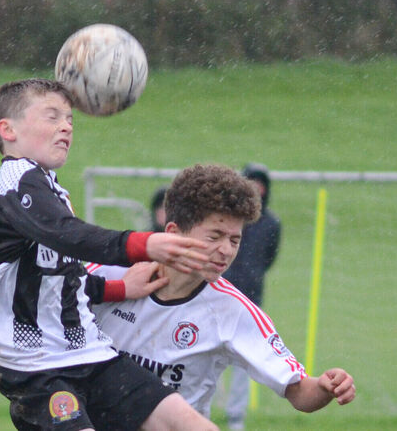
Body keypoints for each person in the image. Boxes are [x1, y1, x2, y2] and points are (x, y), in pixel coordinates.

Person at [0, 78, 218, 431]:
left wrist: (120, 289)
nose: (66, 126)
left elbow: (59, 280)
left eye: (70, 119)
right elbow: (68, 235)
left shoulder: (48, 187)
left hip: (90, 353)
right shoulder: (15, 178)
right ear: (8, 130)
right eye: (52, 116)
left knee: (193, 425)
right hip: (36, 364)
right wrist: (142, 245)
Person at [89, 164, 356, 423]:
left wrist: (324, 387)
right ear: (173, 233)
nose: (226, 250)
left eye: (234, 240)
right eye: (214, 236)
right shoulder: (109, 273)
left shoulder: (233, 310)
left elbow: (298, 391)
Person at [220, 162, 281, 429]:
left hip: (251, 300)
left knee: (243, 360)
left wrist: (251, 276)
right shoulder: (229, 219)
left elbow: (269, 257)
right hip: (221, 295)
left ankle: (235, 416)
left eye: (260, 184)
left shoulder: (271, 224)